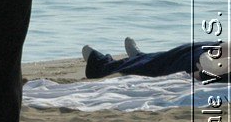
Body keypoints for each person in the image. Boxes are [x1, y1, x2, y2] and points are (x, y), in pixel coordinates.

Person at [82, 38, 229, 80]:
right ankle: (141, 58)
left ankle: (102, 65)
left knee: (176, 61)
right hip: (215, 53)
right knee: (184, 50)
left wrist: (207, 70)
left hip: (210, 65)